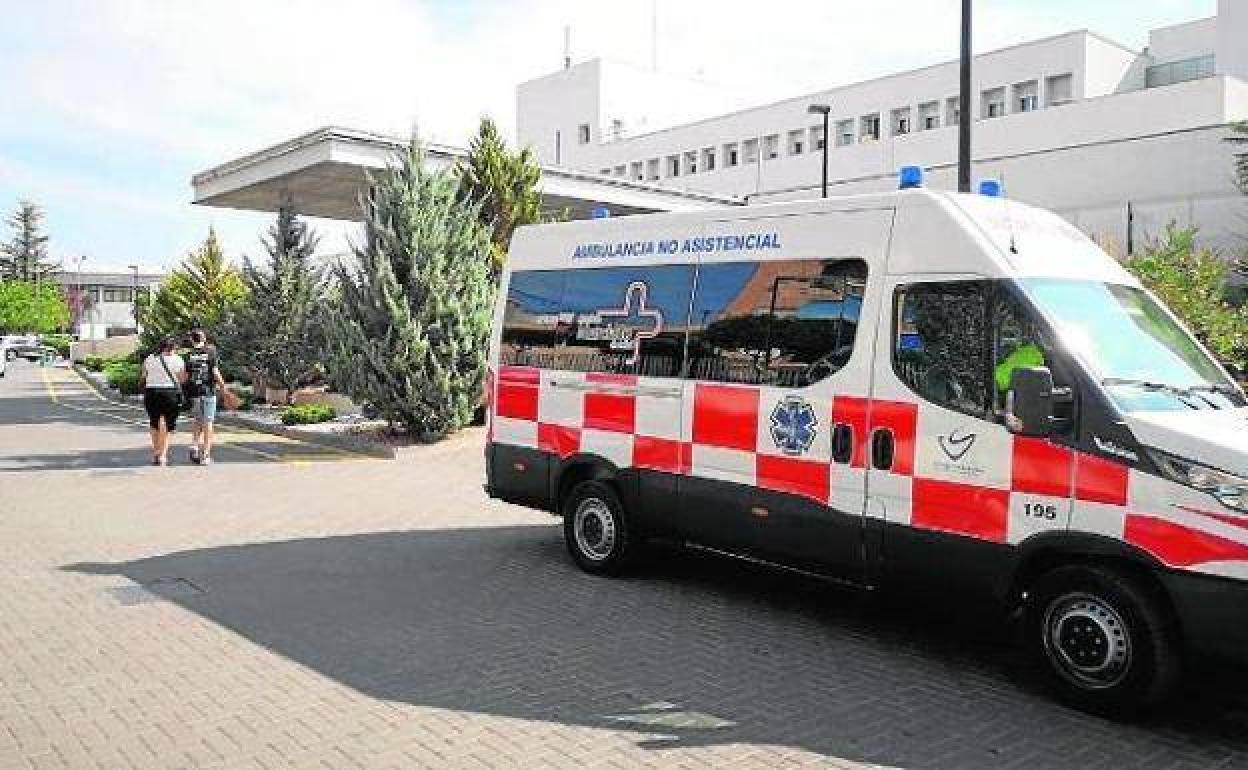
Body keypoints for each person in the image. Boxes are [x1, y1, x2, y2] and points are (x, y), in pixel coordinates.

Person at [139, 336, 187, 466]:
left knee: (154, 422)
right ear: (173, 347)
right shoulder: (177, 360)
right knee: (166, 424)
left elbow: (143, 376)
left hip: (151, 392)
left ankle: (156, 452)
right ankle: (163, 455)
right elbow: (182, 379)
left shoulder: (149, 358)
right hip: (169, 393)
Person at [184, 329, 226, 465]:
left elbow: (185, 376)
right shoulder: (210, 351)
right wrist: (223, 386)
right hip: (208, 391)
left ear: (192, 340)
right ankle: (206, 455)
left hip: (194, 392)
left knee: (197, 420)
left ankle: (194, 445)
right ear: (204, 339)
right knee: (208, 422)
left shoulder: (188, 355)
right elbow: (214, 371)